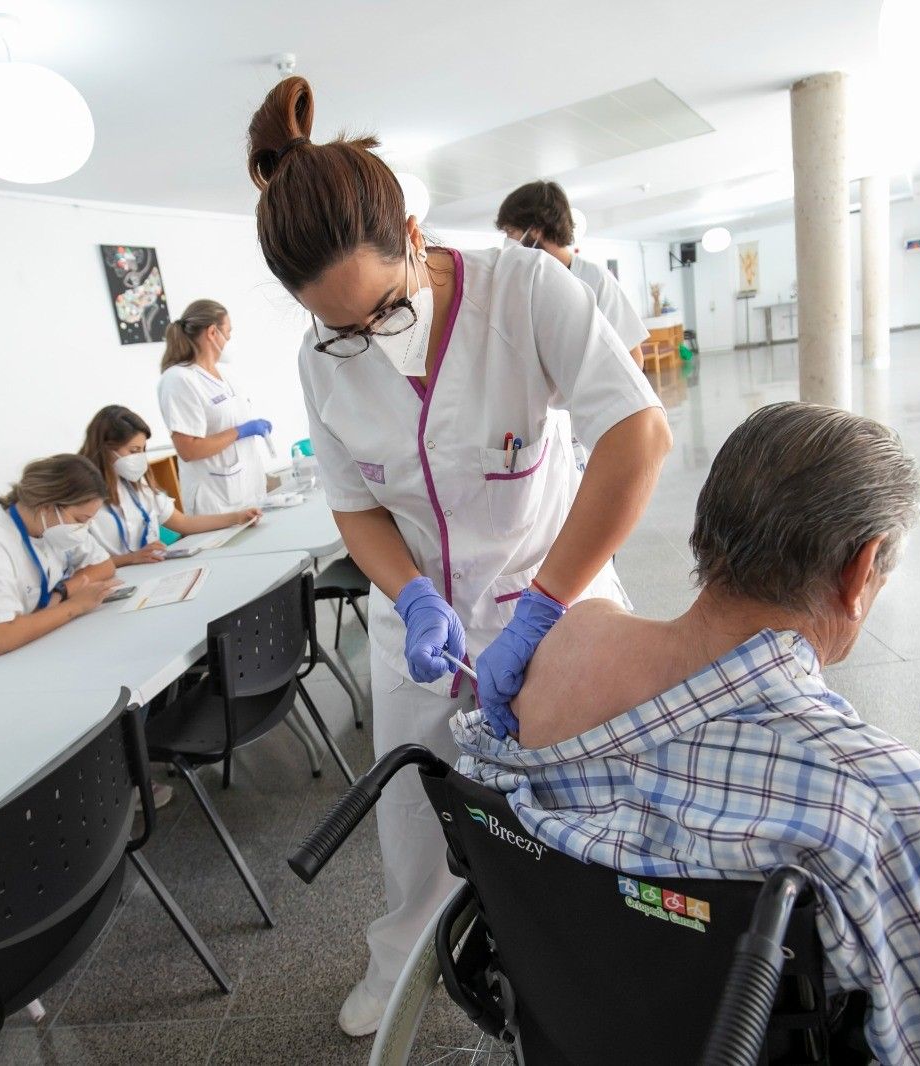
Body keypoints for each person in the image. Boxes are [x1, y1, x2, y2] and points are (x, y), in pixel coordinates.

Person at [245, 75, 672, 1036]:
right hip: (422, 625)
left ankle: (593, 964)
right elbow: (356, 506)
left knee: (583, 799)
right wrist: (412, 597)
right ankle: (400, 964)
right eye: (339, 329)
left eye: (384, 311)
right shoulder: (322, 364)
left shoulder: (523, 290)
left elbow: (637, 437)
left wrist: (545, 607)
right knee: (412, 821)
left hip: (554, 594)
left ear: (413, 233)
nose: (362, 340)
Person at [455, 402, 920, 1065]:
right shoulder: (877, 798)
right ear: (860, 571)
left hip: (570, 1027)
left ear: (706, 532)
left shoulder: (558, 655)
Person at [0, 454, 120, 670]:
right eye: (81, 519)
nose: (85, 527)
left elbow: (104, 565)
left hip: (23, 649)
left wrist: (63, 591)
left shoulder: (53, 527)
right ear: (46, 506)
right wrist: (76, 606)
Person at [77, 404, 262, 566]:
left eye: (143, 450)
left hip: (149, 571)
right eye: (133, 451)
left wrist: (237, 517)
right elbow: (79, 566)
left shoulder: (136, 485)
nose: (140, 457)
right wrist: (131, 558)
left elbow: (183, 523)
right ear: (105, 449)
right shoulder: (81, 496)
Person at [495, 180, 649, 368]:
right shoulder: (521, 284)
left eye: (511, 232)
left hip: (593, 395)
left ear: (535, 230)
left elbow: (633, 354)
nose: (509, 241)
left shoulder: (595, 279)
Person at [156, 298, 275, 513]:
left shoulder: (226, 374)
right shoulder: (179, 379)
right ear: (212, 332)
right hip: (216, 501)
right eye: (228, 331)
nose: (229, 338)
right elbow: (188, 449)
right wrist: (240, 431)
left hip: (248, 491)